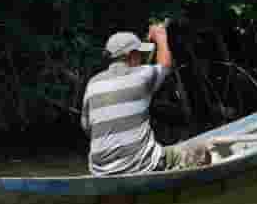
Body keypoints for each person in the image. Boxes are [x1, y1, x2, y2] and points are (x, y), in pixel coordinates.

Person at [83, 22, 213, 175]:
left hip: (100, 171)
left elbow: (87, 128)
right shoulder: (142, 76)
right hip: (141, 166)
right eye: (139, 54)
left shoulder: (93, 84)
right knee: (201, 151)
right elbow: (165, 65)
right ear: (131, 55)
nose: (141, 57)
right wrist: (161, 37)